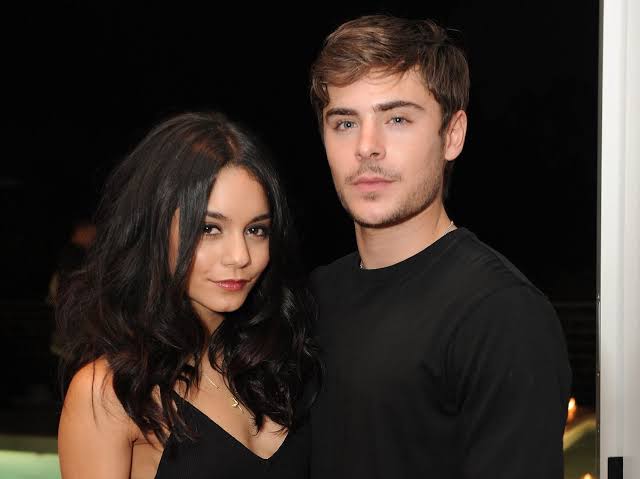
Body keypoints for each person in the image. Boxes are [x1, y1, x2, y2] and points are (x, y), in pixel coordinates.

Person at [308, 14, 571, 478]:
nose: (367, 147)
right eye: (345, 123)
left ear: (452, 135)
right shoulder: (314, 296)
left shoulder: (501, 315)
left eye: (397, 119)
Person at [56, 112, 321, 478]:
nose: (240, 256)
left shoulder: (282, 361)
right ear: (155, 230)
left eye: (256, 230)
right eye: (209, 228)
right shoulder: (110, 393)